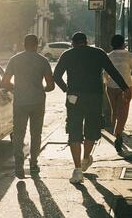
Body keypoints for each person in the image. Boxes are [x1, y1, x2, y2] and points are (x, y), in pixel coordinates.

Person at [53, 32, 131, 184]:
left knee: (74, 131)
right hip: (94, 98)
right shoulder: (98, 53)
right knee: (91, 129)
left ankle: (77, 170)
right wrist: (125, 88)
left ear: (73, 43)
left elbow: (56, 75)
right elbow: (112, 71)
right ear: (86, 42)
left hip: (74, 98)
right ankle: (86, 158)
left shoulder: (67, 54)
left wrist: (67, 89)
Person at [2, 34, 55, 178]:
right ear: (37, 45)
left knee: (19, 134)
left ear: (23, 44)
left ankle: (19, 164)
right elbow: (51, 86)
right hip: (37, 101)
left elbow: (5, 82)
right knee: (36, 134)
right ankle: (33, 163)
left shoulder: (15, 60)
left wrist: (16, 88)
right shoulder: (43, 61)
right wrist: (41, 89)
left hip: (20, 102)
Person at [105, 34, 132, 152]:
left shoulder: (108, 56)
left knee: (114, 110)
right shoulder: (129, 56)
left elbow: (104, 73)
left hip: (110, 86)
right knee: (123, 112)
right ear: (123, 44)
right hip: (125, 87)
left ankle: (116, 131)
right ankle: (118, 135)